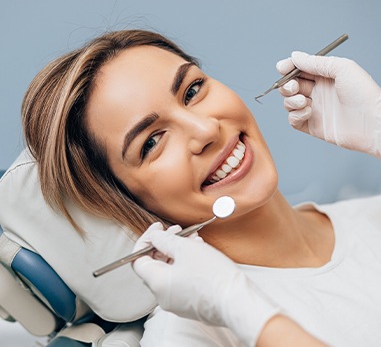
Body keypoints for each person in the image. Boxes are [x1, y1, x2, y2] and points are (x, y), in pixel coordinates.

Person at [21, 29, 381, 346]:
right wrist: (238, 307)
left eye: (192, 90)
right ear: (122, 199)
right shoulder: (190, 334)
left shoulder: (370, 215)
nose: (205, 130)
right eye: (151, 142)